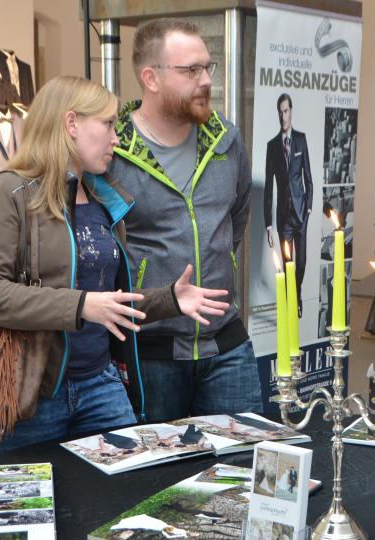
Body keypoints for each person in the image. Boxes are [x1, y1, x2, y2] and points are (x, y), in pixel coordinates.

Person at [0, 76, 231, 458]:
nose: (116, 139)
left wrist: (169, 299)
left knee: (120, 500)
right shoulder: (10, 192)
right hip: (28, 392)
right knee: (44, 510)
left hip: (99, 383)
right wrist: (80, 305)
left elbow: (105, 302)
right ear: (71, 124)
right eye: (107, 125)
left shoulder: (102, 196)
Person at [106, 19, 261, 422]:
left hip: (227, 345)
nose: (206, 80)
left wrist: (219, 263)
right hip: (152, 352)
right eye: (191, 71)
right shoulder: (113, 152)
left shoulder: (226, 139)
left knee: (243, 469)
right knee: (159, 481)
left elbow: (236, 218)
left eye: (207, 68)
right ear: (150, 78)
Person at [264, 93, 313, 311]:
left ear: (291, 111)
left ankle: (297, 293)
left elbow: (308, 178)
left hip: (301, 213)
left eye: (286, 111)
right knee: (287, 263)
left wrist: (309, 206)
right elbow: (268, 187)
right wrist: (268, 224)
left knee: (301, 263)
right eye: (280, 112)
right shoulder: (272, 146)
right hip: (284, 217)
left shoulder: (301, 139)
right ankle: (290, 303)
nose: (283, 116)